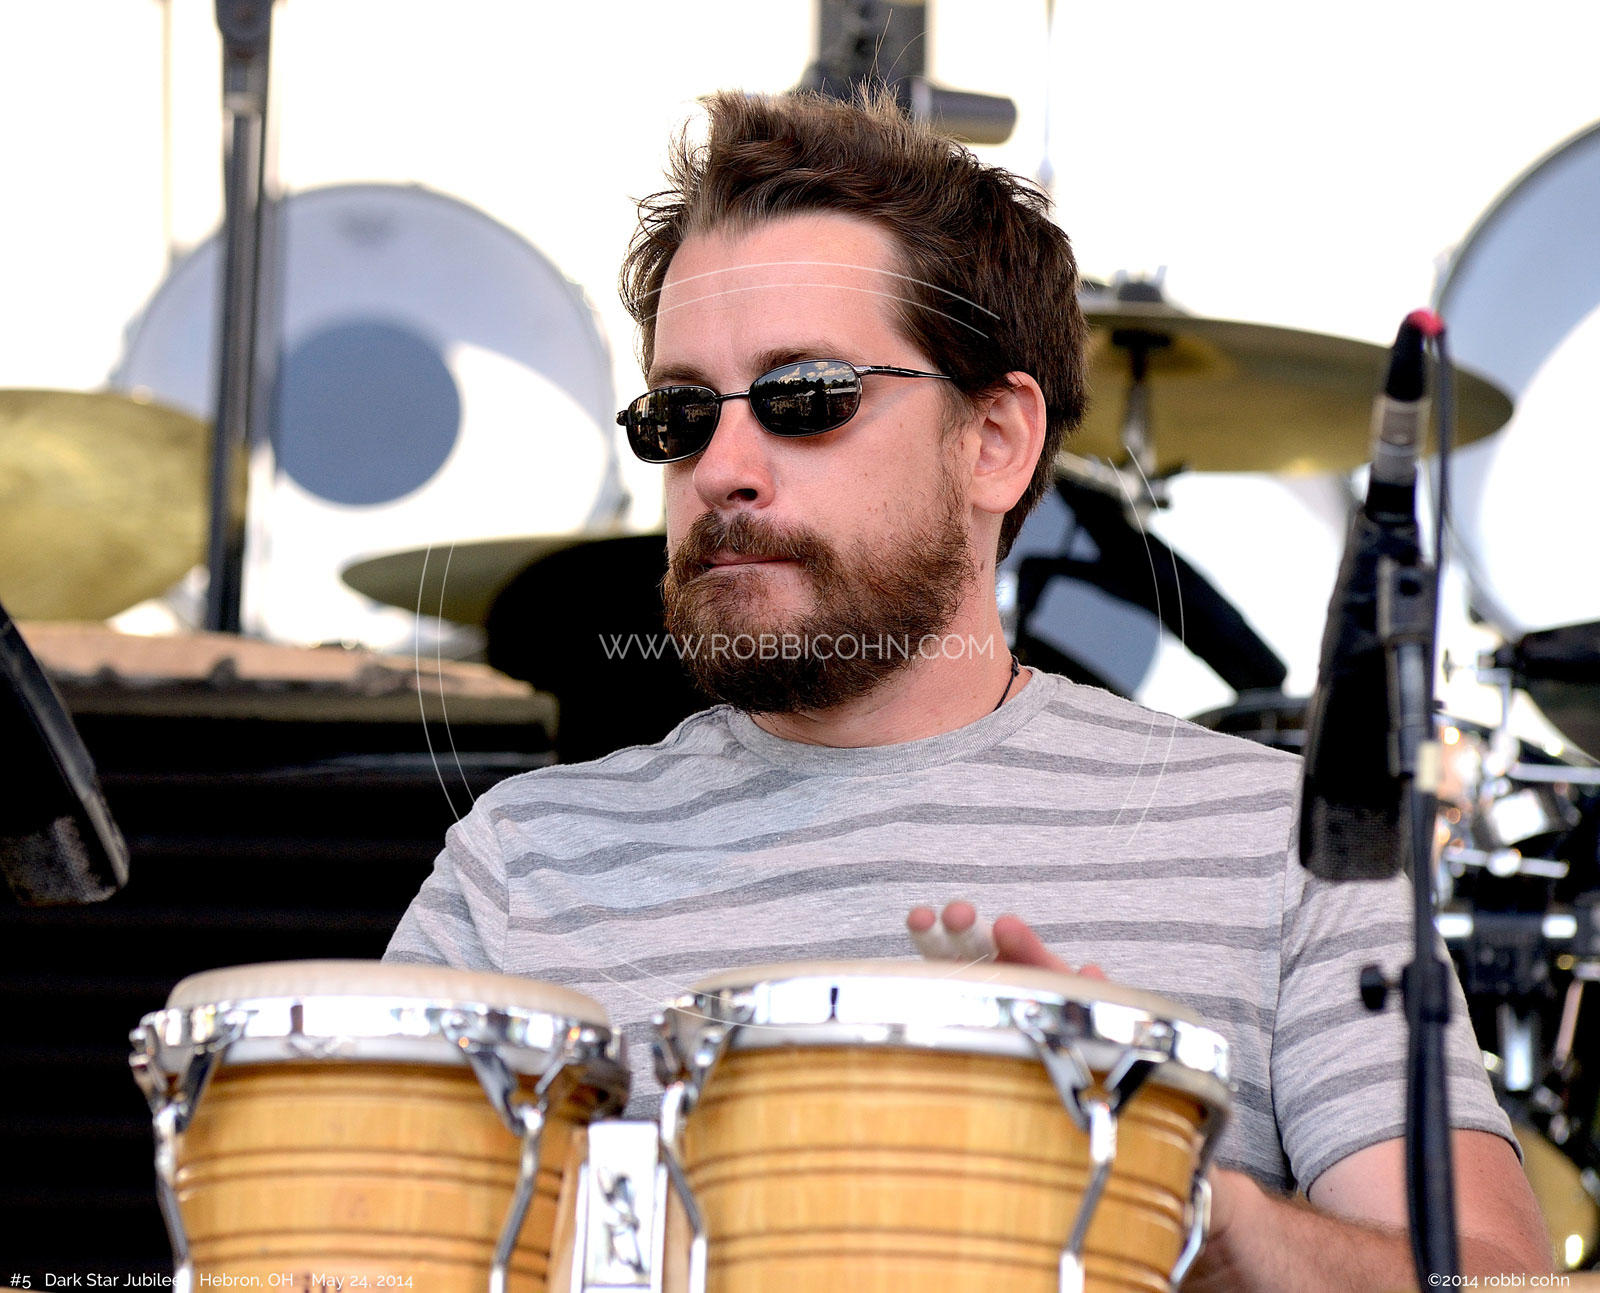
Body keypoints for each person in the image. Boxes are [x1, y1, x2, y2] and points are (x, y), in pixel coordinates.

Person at [386, 89, 1550, 1285]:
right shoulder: (519, 866)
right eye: (681, 415)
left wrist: (1193, 1204)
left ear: (994, 441)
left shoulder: (1279, 844)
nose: (722, 467)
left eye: (805, 398)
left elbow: (1500, 1280)